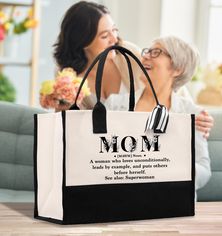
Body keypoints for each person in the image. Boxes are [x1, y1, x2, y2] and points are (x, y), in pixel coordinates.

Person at [53, 1, 213, 138]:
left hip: (143, 140)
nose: (114, 39)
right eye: (104, 36)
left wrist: (194, 119)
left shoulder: (127, 54)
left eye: (114, 30)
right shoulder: (68, 75)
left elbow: (168, 81)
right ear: (83, 41)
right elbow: (68, 125)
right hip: (106, 148)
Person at [106, 36, 212, 191]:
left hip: (170, 199)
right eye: (147, 51)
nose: (145, 56)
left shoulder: (192, 114)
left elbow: (203, 170)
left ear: (178, 69)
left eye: (156, 52)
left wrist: (168, 169)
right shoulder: (114, 105)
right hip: (123, 196)